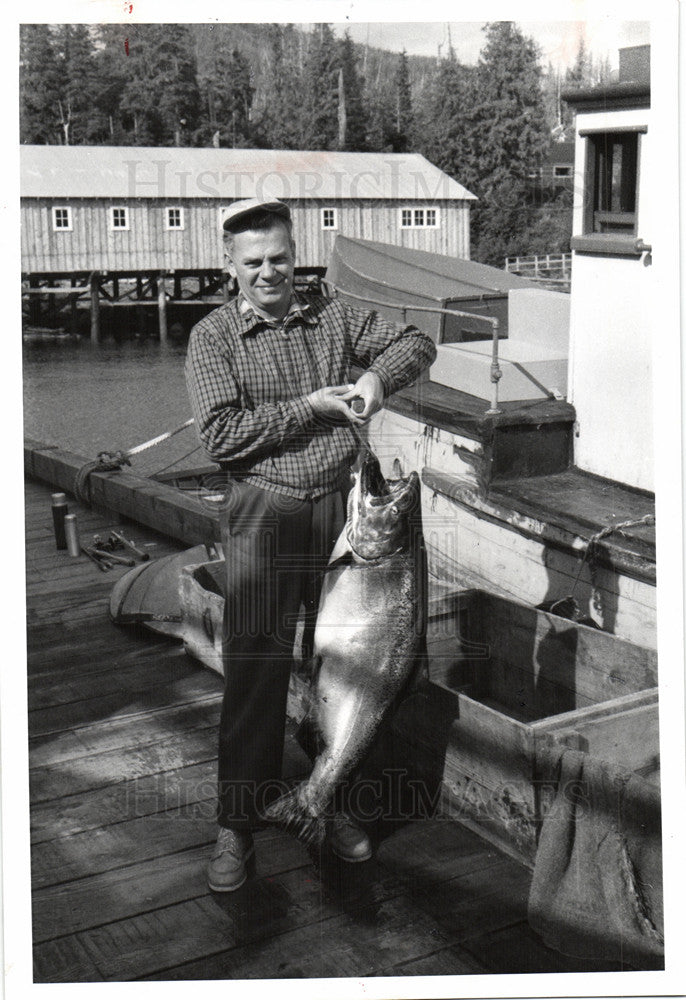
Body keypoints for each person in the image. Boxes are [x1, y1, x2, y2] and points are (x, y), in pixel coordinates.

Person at [185, 197, 436, 892]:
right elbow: (221, 435)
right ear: (229, 267)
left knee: (356, 667)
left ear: (298, 257)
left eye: (281, 259)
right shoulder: (211, 338)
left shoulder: (333, 312)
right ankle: (237, 827)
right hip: (264, 512)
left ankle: (331, 803)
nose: (270, 273)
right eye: (254, 262)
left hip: (343, 512)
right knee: (256, 673)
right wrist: (313, 409)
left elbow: (418, 341)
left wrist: (374, 379)